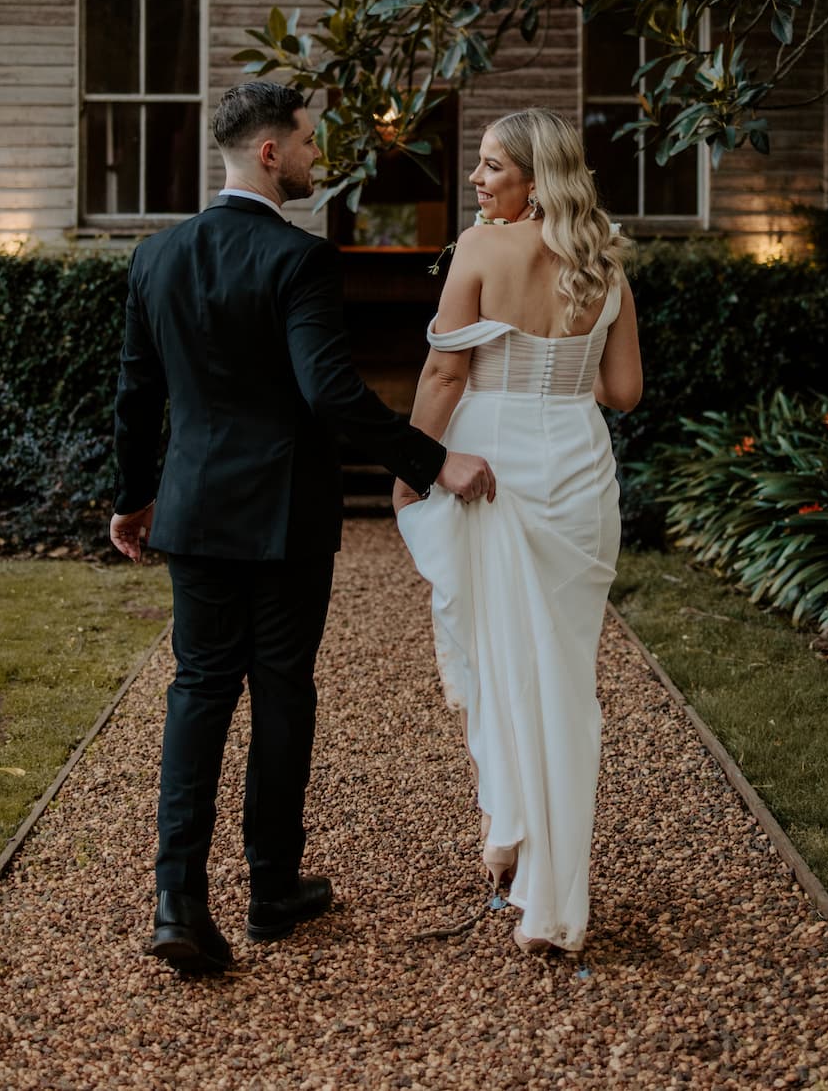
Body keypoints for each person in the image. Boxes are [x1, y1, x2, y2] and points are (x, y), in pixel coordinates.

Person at [110, 80, 495, 974]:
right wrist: (433, 462)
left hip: (196, 510)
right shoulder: (300, 259)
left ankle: (177, 901)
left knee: (199, 690)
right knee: (281, 689)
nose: (322, 159)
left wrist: (135, 496)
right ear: (271, 152)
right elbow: (329, 394)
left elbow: (137, 396)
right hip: (284, 517)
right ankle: (271, 890)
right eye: (312, 144)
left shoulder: (156, 257)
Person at [393, 107, 642, 955]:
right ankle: (545, 881)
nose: (477, 179)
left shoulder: (478, 251)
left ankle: (512, 828)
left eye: (493, 167)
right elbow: (623, 392)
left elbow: (442, 369)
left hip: (493, 458)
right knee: (565, 677)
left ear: (536, 179)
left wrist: (414, 467)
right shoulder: (604, 262)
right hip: (577, 465)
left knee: (501, 658)